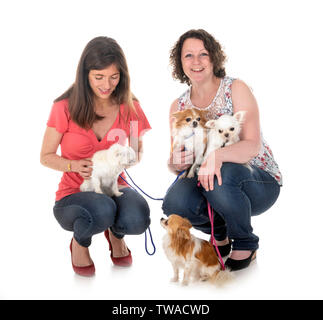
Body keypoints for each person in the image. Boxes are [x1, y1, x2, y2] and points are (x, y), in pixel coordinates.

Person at [162, 29, 282, 271]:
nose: (196, 62)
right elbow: (176, 159)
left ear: (214, 58)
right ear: (180, 62)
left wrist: (217, 156)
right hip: (209, 181)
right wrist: (175, 161)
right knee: (174, 203)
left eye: (203, 54)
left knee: (222, 174)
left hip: (256, 180)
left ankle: (246, 243)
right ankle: (220, 234)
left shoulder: (235, 88)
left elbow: (252, 145)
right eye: (188, 56)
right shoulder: (179, 106)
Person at [40, 36, 151, 276]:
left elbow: (137, 151)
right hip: (74, 193)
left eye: (114, 76)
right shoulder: (63, 107)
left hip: (113, 186)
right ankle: (80, 242)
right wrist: (72, 165)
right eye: (98, 77)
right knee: (102, 209)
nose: (106, 85)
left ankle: (116, 235)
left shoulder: (131, 107)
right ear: (85, 75)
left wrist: (127, 158)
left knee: (138, 217)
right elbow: (46, 156)